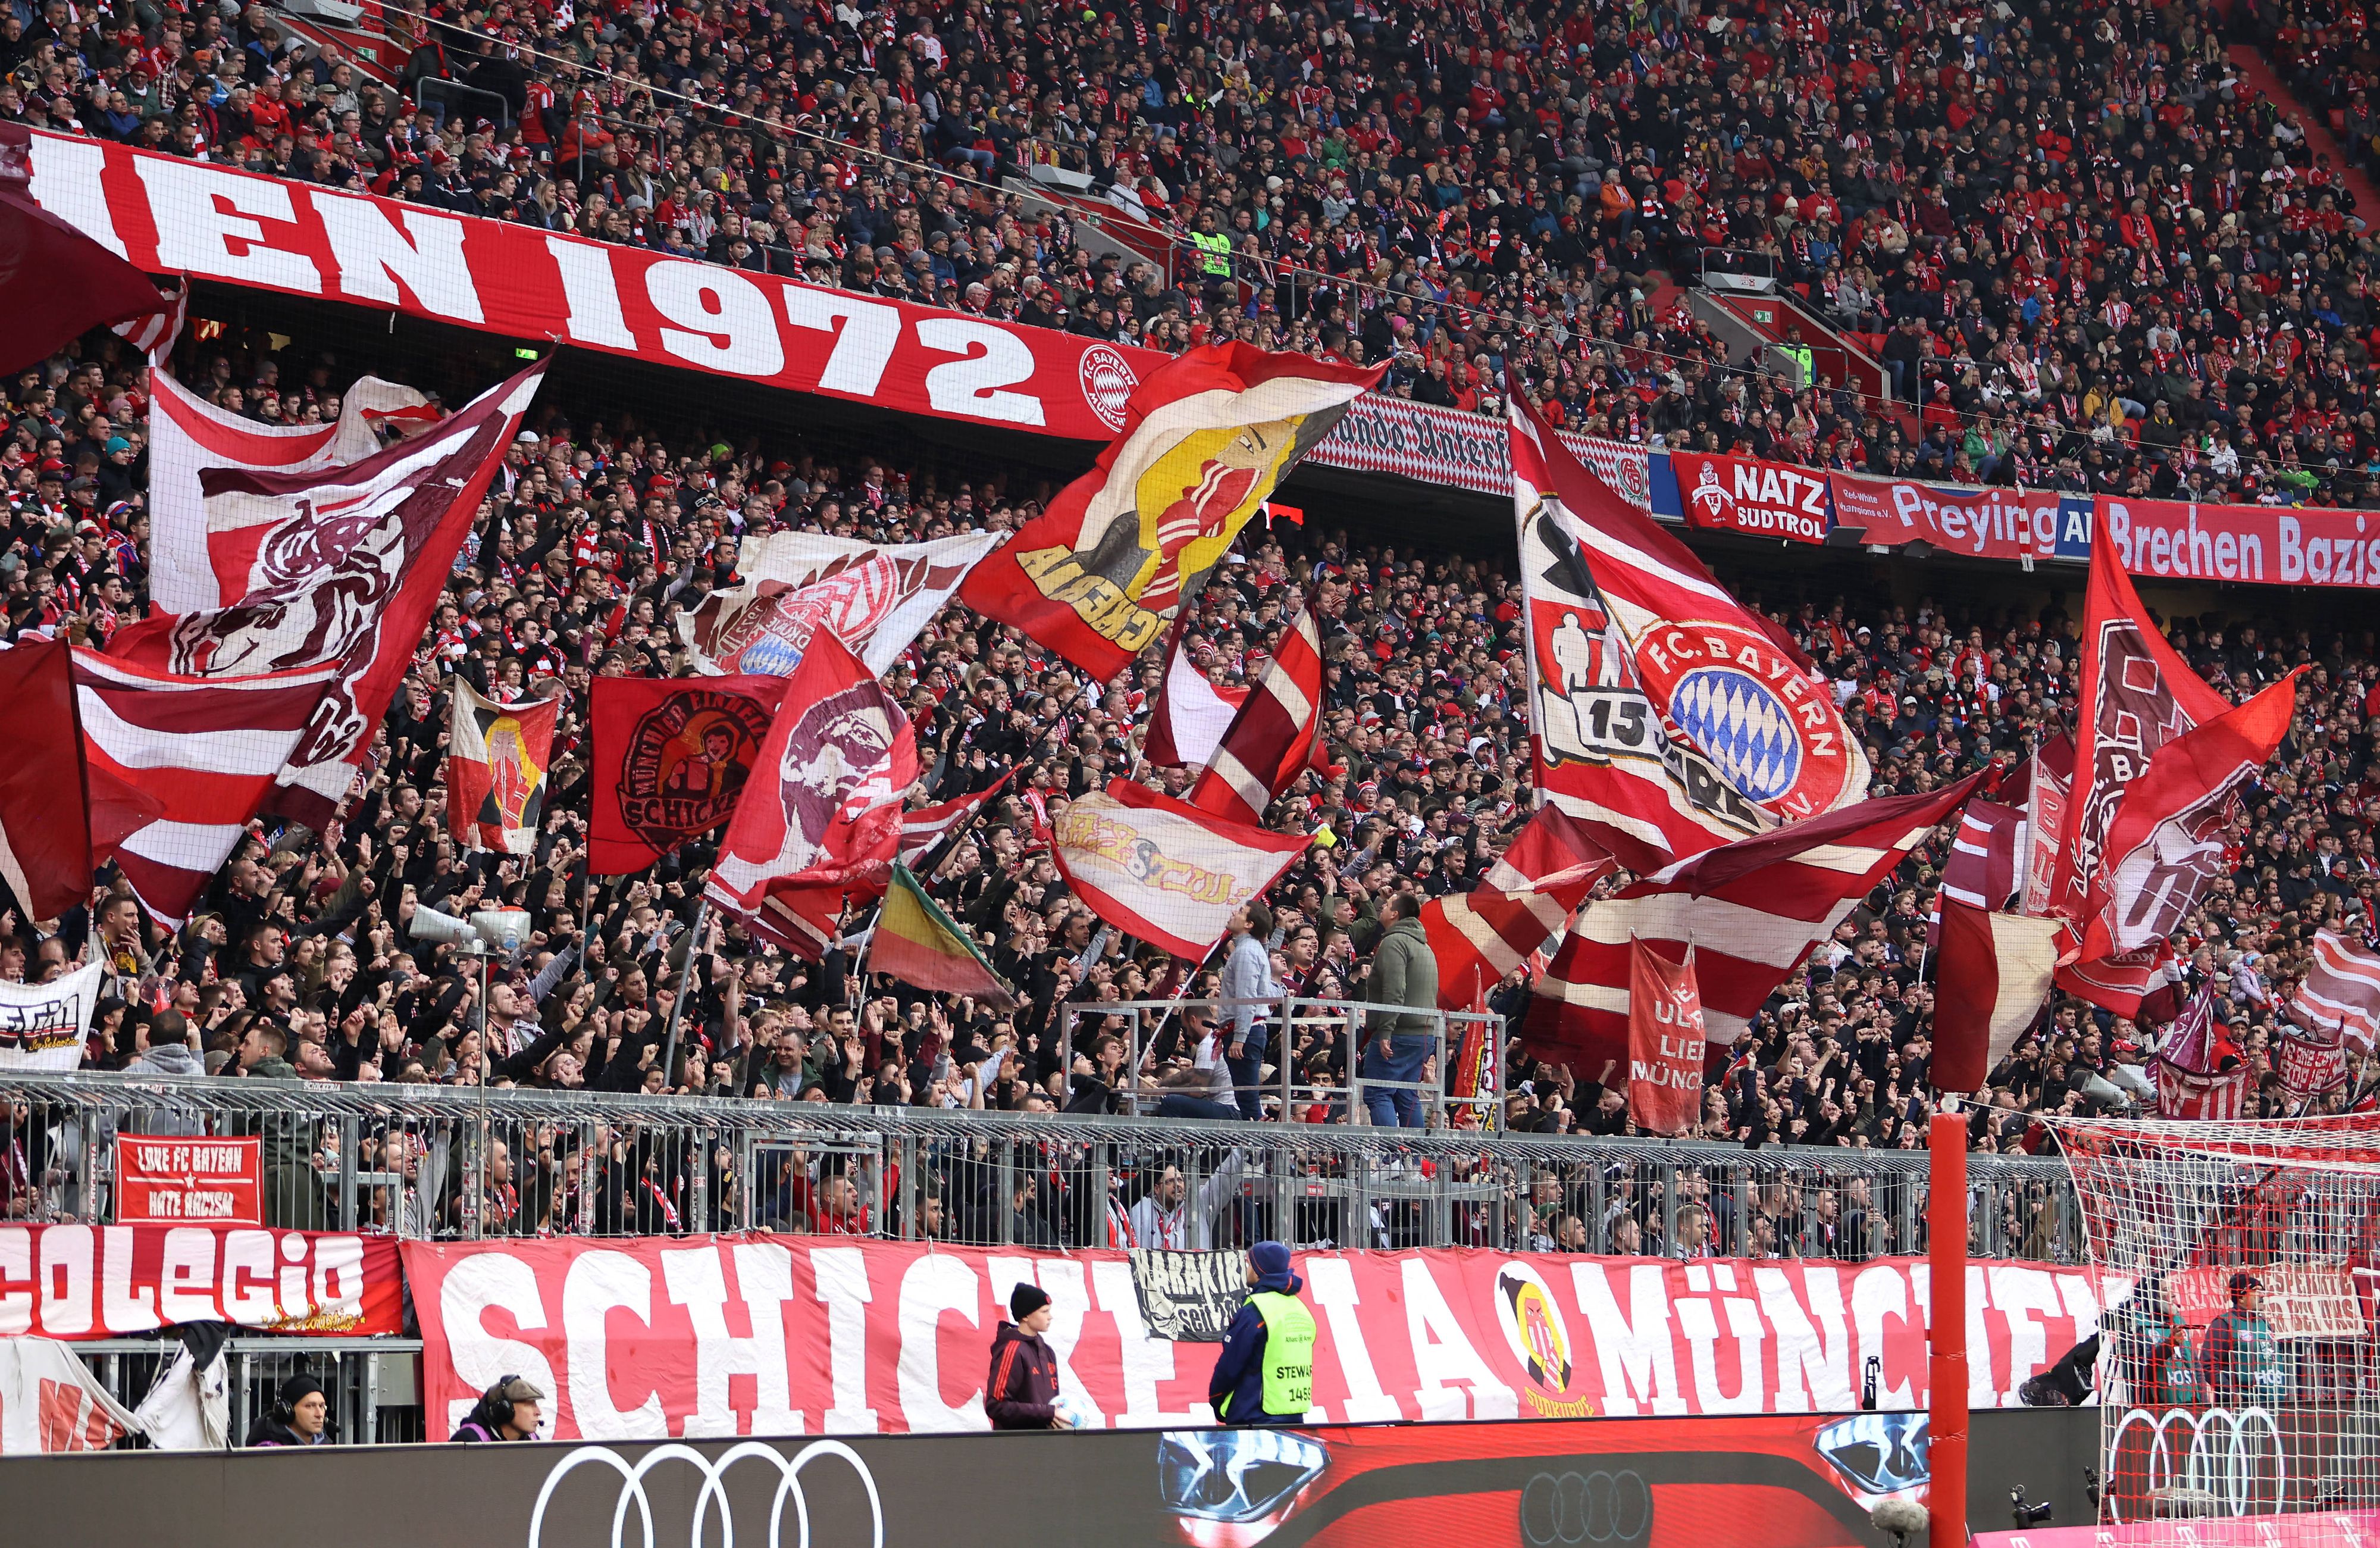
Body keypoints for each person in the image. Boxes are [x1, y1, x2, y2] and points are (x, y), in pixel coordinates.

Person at [1207, 1241, 1315, 1426]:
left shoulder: (1256, 1310)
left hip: (1253, 1416)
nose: (1247, 1269)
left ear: (1258, 1271)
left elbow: (1231, 1364)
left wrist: (1216, 1399)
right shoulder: (1300, 1308)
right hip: (1294, 1415)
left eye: (1249, 1264)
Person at [1360, 893, 1438, 1128]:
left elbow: (1394, 991)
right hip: (1423, 1034)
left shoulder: (1394, 942)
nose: (1381, 907)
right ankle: (1413, 1159)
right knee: (1406, 1096)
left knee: (1378, 1093)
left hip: (1398, 1034)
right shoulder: (1424, 946)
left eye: (1386, 904)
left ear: (1395, 914)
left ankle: (1392, 1157)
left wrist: (1385, 1032)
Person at [1219, 903, 1278, 1119]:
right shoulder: (1252, 949)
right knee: (1247, 1098)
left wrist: (1240, 1038)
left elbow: (1247, 998)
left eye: (1241, 912)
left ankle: (1263, 1150)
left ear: (1249, 924)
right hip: (1248, 1030)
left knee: (1248, 1100)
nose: (1234, 912)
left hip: (1245, 1031)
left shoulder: (1245, 952)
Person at [985, 1282, 1072, 1430]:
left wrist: (1056, 1414)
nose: (1050, 1317)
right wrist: (1047, 1413)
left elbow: (1049, 1406)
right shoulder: (1011, 1349)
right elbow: (996, 1406)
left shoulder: (1048, 1351)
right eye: (1044, 1312)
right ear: (1025, 1316)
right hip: (1019, 1446)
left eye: (1049, 1311)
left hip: (1047, 1444)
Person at [2200, 1272, 2290, 1410]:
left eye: (2262, 1291)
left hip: (2275, 1402)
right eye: (2256, 1291)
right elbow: (2209, 1365)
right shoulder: (2224, 1324)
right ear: (2241, 1297)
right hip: (2243, 1407)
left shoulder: (2264, 1324)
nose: (2262, 1296)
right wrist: (2230, 1393)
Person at [449, 1375, 546, 1442]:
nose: (538, 1412)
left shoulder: (533, 1440)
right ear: (505, 1409)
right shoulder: (469, 1440)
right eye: (529, 1405)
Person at [245, 1372, 333, 1447]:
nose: (319, 1414)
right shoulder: (269, 1451)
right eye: (310, 1406)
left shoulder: (327, 1446)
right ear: (287, 1411)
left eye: (322, 1406)